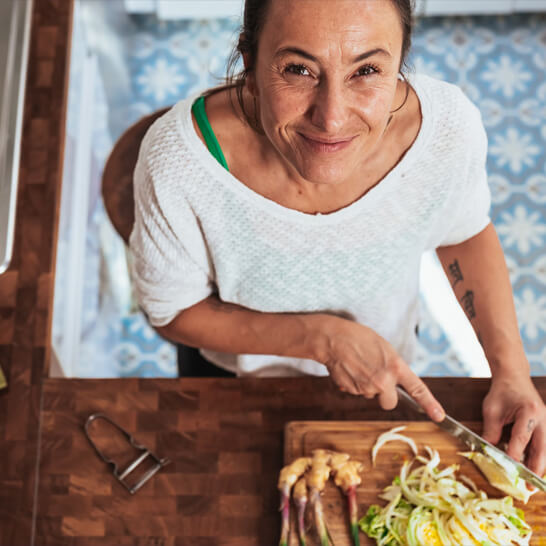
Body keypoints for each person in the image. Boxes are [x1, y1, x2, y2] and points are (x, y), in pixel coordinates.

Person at [124, 0, 546, 475]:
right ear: (249, 61)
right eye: (299, 69)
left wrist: (510, 369)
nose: (332, 118)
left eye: (366, 69)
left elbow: (463, 232)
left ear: (401, 61)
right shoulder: (178, 161)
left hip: (383, 367)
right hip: (236, 379)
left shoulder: (447, 130)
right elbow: (172, 313)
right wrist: (323, 339)